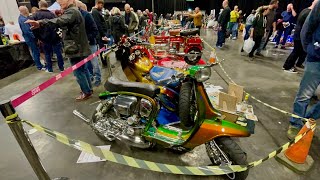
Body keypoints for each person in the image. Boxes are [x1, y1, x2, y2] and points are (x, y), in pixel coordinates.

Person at [26, 0, 92, 101]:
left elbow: (59, 21)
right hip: (78, 46)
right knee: (83, 70)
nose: (59, 2)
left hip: (75, 48)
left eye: (61, 0)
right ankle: (88, 89)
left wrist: (41, 22)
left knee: (78, 72)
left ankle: (86, 91)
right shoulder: (73, 11)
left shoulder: (72, 12)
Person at [287, 0, 320, 140]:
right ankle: (295, 124)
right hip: (316, 58)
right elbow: (308, 26)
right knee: (305, 95)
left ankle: (307, 119)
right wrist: (310, 49)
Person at [282, 1, 316, 73]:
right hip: (301, 35)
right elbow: (308, 27)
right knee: (296, 52)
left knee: (296, 51)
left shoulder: (305, 10)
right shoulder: (309, 13)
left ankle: (289, 65)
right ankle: (287, 66)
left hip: (298, 34)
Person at [33, 0, 64, 73]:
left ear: (39, 5)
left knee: (47, 54)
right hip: (54, 37)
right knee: (58, 53)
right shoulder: (52, 14)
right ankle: (61, 67)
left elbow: (34, 28)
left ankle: (50, 69)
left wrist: (38, 38)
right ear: (47, 5)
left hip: (44, 38)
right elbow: (57, 25)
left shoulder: (35, 16)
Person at [76, 0, 102, 87]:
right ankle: (91, 77)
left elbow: (95, 30)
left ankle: (98, 78)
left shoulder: (87, 15)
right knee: (87, 64)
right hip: (83, 45)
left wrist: (87, 39)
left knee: (94, 63)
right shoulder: (77, 17)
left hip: (91, 44)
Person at [18, 6, 43, 71]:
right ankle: (39, 66)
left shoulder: (22, 18)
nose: (27, 11)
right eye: (26, 9)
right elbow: (27, 31)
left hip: (29, 38)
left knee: (35, 51)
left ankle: (39, 65)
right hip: (30, 39)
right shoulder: (23, 20)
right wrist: (35, 38)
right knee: (35, 51)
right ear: (24, 10)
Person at [91, 0, 109, 66]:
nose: (102, 7)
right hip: (101, 35)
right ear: (97, 4)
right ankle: (105, 62)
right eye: (101, 5)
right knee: (102, 49)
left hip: (101, 34)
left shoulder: (97, 11)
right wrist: (103, 35)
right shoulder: (95, 12)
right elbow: (98, 24)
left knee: (104, 49)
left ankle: (106, 61)